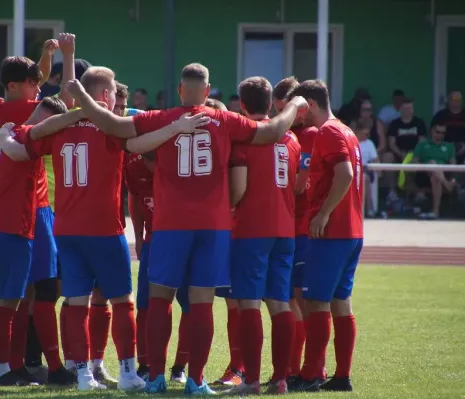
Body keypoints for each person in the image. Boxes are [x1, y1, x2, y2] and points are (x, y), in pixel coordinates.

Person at [62, 62, 308, 395]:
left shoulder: (164, 117)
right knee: (202, 303)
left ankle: (158, 378)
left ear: (180, 89)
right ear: (207, 92)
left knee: (161, 300)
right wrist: (295, 105)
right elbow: (272, 131)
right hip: (213, 225)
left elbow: (113, 124)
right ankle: (195, 380)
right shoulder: (224, 119)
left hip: (170, 224)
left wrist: (81, 97)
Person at [0, 66, 210, 392]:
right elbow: (143, 145)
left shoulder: (57, 127)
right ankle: (127, 372)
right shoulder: (110, 128)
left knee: (76, 302)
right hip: (104, 230)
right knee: (122, 302)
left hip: (66, 230)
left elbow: (15, 150)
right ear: (107, 96)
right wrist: (176, 127)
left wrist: (1, 135)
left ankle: (82, 374)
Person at [0, 36, 81, 386]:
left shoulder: (3, 119)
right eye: (32, 83)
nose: (38, 88)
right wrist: (67, 54)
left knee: (18, 299)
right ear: (15, 86)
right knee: (13, 300)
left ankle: (13, 365)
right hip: (19, 221)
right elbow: (65, 101)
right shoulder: (25, 121)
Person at [224, 76, 301, 396]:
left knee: (249, 303)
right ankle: (280, 379)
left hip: (251, 229)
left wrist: (227, 207)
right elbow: (297, 185)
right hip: (284, 229)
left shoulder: (243, 138)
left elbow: (238, 188)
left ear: (242, 104)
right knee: (281, 303)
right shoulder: (291, 138)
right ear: (270, 103)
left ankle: (253, 381)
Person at [286, 80, 363, 393]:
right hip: (352, 232)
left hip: (331, 233)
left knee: (316, 301)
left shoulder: (328, 132)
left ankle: (310, 374)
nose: (296, 115)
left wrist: (323, 213)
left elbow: (344, 174)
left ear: (311, 105)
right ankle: (341, 376)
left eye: (298, 108)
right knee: (339, 302)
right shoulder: (347, 131)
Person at [117, 83, 191, 384]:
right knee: (148, 304)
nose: (148, 164)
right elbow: (134, 198)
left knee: (192, 304)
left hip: (185, 238)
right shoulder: (134, 165)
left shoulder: (176, 158)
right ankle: (147, 364)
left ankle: (181, 366)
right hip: (154, 241)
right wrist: (137, 234)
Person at [273, 76, 319, 382]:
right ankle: (291, 369)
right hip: (287, 227)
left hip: (303, 227)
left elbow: (301, 186)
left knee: (301, 299)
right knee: (288, 298)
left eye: (284, 109)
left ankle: (311, 367)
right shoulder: (286, 134)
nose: (282, 117)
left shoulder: (311, 135)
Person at [203, 98, 244, 389]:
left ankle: (239, 368)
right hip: (212, 232)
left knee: (237, 303)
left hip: (234, 233)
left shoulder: (233, 148)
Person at [383, 98, 427, 201]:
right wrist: (400, 153)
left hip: (415, 154)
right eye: (405, 108)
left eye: (410, 108)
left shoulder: (419, 123)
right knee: (387, 157)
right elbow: (391, 143)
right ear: (401, 109)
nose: (408, 110)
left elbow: (422, 142)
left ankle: (417, 192)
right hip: (399, 153)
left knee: (419, 160)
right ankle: (392, 191)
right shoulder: (395, 124)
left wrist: (413, 153)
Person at [412, 124, 456, 219]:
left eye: (443, 133)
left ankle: (435, 211)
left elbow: (453, 165)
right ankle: (446, 184)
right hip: (424, 174)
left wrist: (438, 168)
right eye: (438, 132)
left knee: (436, 176)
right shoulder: (422, 145)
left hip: (443, 173)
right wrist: (428, 166)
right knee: (433, 165)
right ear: (432, 131)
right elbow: (414, 162)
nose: (440, 135)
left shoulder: (449, 146)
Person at [430, 90, 465, 164]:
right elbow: (433, 133)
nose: (457, 101)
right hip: (444, 147)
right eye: (455, 99)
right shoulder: (440, 116)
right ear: (449, 100)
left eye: (459, 99)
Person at [356, 121, 379, 217]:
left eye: (368, 133)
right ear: (358, 132)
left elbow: (375, 160)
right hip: (352, 169)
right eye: (365, 133)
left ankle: (368, 209)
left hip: (366, 171)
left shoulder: (369, 143)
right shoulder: (351, 140)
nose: (366, 135)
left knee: (364, 178)